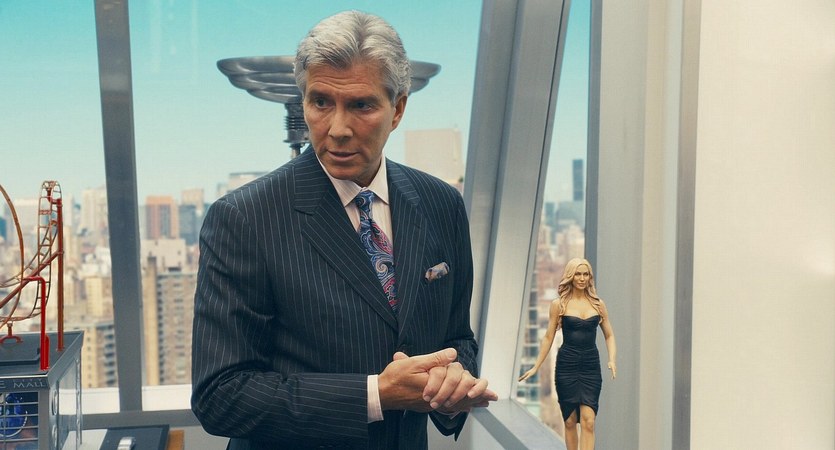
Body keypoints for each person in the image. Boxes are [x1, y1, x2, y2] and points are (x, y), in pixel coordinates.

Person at [191, 10, 496, 449]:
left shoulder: (442, 203)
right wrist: (375, 395)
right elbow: (220, 396)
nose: (337, 129)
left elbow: (457, 338)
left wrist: (451, 385)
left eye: (361, 105)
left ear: (398, 109)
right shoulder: (243, 218)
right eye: (320, 102)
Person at [518, 258, 617, 450]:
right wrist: (536, 366)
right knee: (570, 421)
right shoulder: (559, 304)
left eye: (585, 274)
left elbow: (609, 335)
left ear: (590, 277)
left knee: (589, 421)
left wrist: (612, 359)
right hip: (567, 365)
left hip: (590, 366)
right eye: (578, 274)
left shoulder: (598, 304)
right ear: (571, 276)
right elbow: (548, 337)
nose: (582, 278)